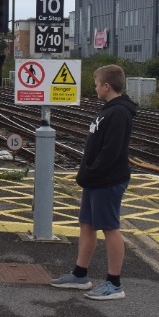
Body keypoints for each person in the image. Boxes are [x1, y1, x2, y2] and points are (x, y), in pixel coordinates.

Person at [50, 64, 138, 300]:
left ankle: (114, 283)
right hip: (96, 180)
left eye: (97, 84)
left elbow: (111, 150)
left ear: (106, 86)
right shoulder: (109, 109)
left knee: (110, 228)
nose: (95, 87)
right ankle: (80, 274)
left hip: (107, 180)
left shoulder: (118, 112)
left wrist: (91, 173)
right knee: (86, 224)